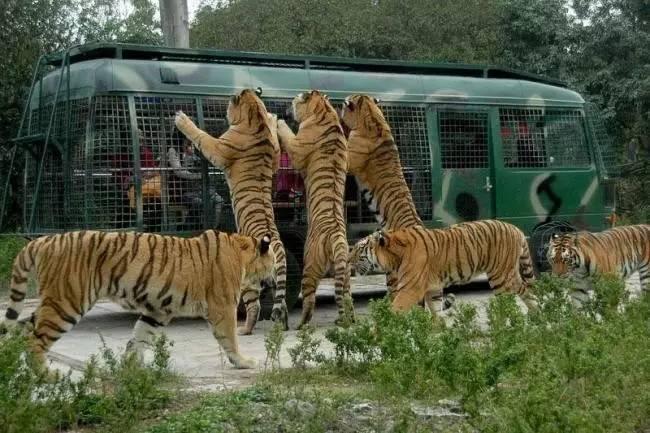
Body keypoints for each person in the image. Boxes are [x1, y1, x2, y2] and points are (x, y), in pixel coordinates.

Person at [167, 139, 224, 230]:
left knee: (219, 200)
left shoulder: (192, 150)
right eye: (188, 142)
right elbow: (179, 172)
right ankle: (188, 228)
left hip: (198, 188)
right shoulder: (173, 151)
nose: (190, 146)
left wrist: (194, 156)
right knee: (199, 202)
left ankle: (214, 227)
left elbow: (200, 163)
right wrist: (197, 176)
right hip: (182, 190)